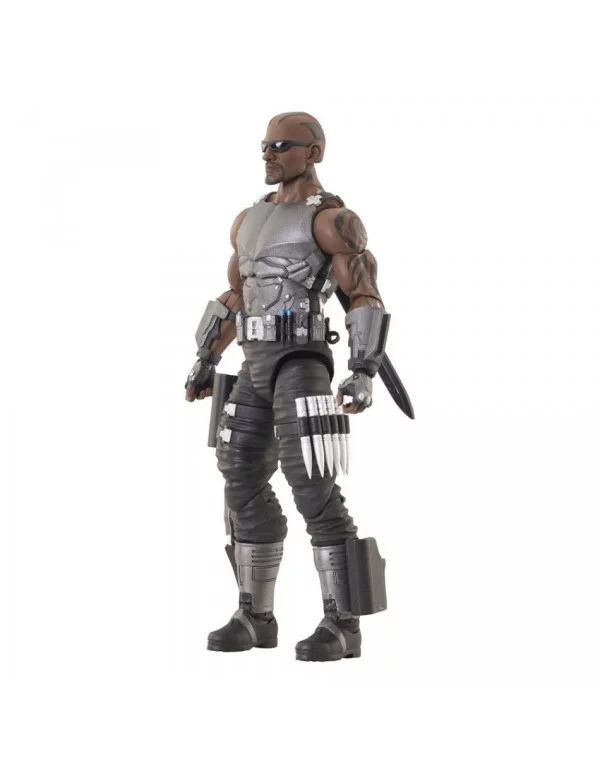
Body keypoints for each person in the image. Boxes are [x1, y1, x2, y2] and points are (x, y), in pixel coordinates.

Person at [185, 112, 390, 661]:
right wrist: (206, 357)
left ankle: (343, 624)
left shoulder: (332, 220)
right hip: (253, 361)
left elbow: (363, 293)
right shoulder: (248, 218)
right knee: (239, 475)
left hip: (300, 360)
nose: (269, 154)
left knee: (311, 481)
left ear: (313, 152)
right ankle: (255, 616)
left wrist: (363, 369)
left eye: (281, 145)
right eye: (265, 145)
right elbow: (238, 295)